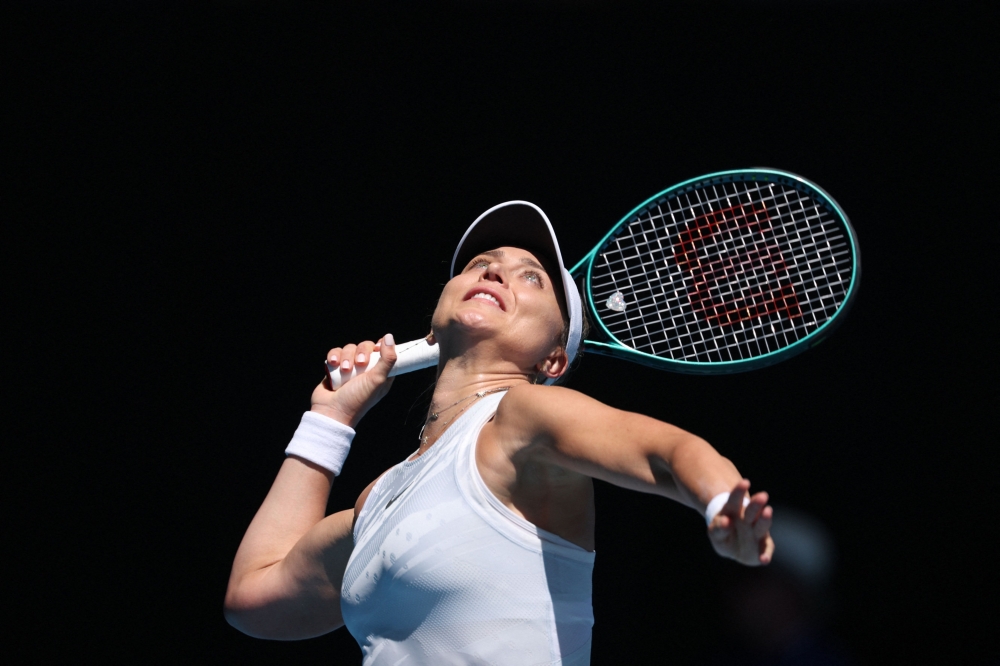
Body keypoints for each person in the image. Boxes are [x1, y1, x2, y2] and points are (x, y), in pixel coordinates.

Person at [224, 201, 775, 665]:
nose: (493, 272)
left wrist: (720, 500)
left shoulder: (524, 416)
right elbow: (254, 598)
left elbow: (665, 450)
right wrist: (329, 420)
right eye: (481, 263)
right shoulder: (380, 500)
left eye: (530, 275)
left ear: (555, 358)